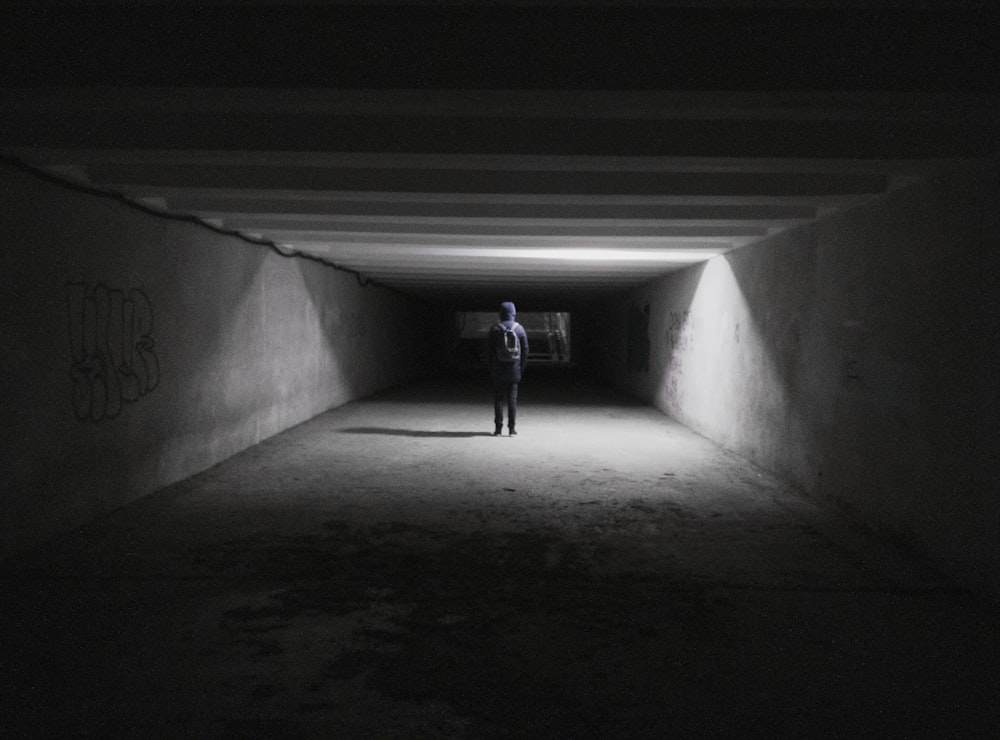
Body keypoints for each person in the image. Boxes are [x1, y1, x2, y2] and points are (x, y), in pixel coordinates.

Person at [487, 301, 528, 436]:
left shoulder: (495, 329)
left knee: (498, 399)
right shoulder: (520, 329)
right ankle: (511, 429)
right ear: (513, 313)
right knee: (512, 399)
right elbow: (525, 351)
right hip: (514, 369)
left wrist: (491, 367)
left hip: (498, 369)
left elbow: (489, 351)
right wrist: (521, 368)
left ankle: (498, 429)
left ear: (501, 313)